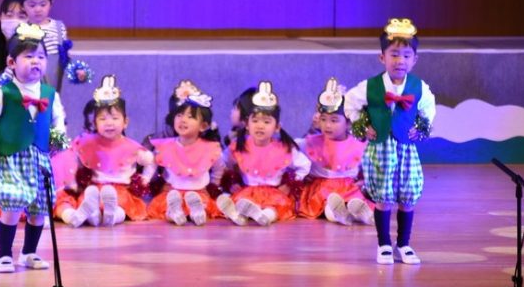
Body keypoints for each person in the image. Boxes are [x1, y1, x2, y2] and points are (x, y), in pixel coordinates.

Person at [0, 22, 67, 273]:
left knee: (39, 208)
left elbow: (59, 118)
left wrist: (58, 136)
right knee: (12, 205)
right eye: (29, 56)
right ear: (11, 62)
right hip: (12, 159)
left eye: (41, 57)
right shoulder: (4, 93)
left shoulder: (49, 93)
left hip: (39, 159)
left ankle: (29, 253)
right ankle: (4, 255)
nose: (36, 61)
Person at [345, 18, 436, 265]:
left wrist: (421, 128)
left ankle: (404, 244)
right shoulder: (370, 86)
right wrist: (362, 125)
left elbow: (428, 109)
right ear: (382, 57)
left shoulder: (418, 87)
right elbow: (350, 104)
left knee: (407, 197)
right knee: (383, 198)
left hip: (406, 148)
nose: (400, 61)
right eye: (394, 54)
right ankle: (384, 244)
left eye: (406, 55)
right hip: (381, 149)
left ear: (414, 59)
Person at [52, 75, 156, 227]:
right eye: (103, 119)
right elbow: (71, 158)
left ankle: (112, 215)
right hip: (94, 189)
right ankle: (92, 215)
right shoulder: (87, 143)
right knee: (86, 199)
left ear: (125, 122)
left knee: (122, 205)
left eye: (114, 118)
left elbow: (151, 161)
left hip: (120, 190)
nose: (109, 123)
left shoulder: (132, 147)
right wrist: (73, 180)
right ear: (95, 123)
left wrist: (144, 179)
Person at [216, 81, 311, 226]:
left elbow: (305, 165)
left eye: (266, 122)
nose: (260, 126)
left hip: (274, 193)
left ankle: (265, 216)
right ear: (247, 124)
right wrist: (232, 182)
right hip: (248, 192)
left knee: (276, 207)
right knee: (240, 202)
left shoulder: (284, 148)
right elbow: (223, 162)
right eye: (255, 121)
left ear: (277, 127)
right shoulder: (238, 146)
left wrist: (290, 183)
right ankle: (239, 215)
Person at [147, 80, 224, 226]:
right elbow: (152, 164)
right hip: (172, 192)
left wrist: (213, 185)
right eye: (179, 115)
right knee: (166, 209)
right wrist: (148, 180)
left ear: (203, 126)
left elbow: (219, 167)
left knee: (203, 206)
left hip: (199, 193)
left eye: (190, 117)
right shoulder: (166, 146)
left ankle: (197, 210)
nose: (183, 120)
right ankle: (174, 211)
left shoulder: (209, 148)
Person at [298, 78, 374, 225]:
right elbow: (292, 152)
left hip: (348, 187)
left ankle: (362, 214)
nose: (327, 125)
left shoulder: (358, 145)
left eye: (334, 120)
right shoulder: (311, 142)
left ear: (348, 123)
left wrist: (365, 183)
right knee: (329, 204)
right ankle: (338, 214)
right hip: (322, 189)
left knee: (355, 200)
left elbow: (369, 169)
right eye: (323, 119)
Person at [18, 0, 71, 92]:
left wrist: (76, 71)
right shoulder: (21, 29)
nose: (38, 9)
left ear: (51, 3)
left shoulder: (59, 27)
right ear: (22, 6)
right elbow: (16, 58)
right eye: (32, 5)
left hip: (55, 76)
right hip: (30, 79)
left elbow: (65, 56)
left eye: (43, 4)